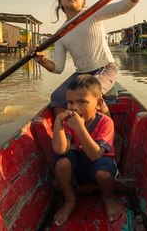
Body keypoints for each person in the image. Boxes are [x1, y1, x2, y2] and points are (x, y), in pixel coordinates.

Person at [31, 0, 147, 117]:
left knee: (87, 92)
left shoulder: (92, 13)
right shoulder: (59, 34)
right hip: (81, 73)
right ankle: (67, 134)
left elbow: (124, 6)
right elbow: (58, 68)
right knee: (57, 97)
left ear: (84, 2)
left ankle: (110, 134)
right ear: (60, 2)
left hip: (104, 68)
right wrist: (41, 60)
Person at [52, 74, 119, 225]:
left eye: (81, 102)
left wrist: (80, 128)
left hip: (100, 162)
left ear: (98, 103)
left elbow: (96, 155)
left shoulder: (105, 122)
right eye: (70, 102)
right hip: (79, 164)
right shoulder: (69, 122)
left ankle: (108, 198)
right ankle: (70, 200)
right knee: (61, 163)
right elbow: (60, 149)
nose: (74, 107)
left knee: (103, 174)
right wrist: (58, 122)